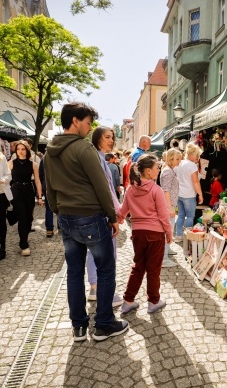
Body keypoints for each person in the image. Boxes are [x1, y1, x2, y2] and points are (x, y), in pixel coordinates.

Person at [44, 102, 128, 342]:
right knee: (105, 269)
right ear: (75, 121)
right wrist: (112, 217)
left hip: (67, 217)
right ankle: (103, 324)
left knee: (74, 272)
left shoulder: (51, 150)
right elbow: (101, 185)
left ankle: (79, 327)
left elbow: (50, 188)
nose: (90, 127)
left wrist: (57, 211)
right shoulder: (83, 149)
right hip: (90, 216)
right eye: (88, 122)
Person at [117, 153, 172, 314]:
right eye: (157, 167)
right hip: (155, 234)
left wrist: (116, 220)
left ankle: (128, 300)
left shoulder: (130, 189)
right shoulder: (156, 190)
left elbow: (122, 211)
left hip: (138, 233)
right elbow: (163, 215)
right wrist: (169, 233)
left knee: (138, 266)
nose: (159, 169)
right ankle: (153, 301)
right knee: (153, 269)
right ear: (148, 171)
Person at [87, 127, 123, 308]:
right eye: (107, 137)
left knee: (96, 252)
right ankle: (100, 290)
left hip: (100, 211)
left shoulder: (99, 158)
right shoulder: (98, 159)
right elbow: (106, 190)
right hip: (102, 213)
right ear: (96, 138)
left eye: (112, 137)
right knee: (104, 254)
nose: (111, 140)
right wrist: (115, 212)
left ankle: (95, 287)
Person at [8, 141, 43, 256]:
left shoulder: (33, 164)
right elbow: (7, 180)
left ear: (27, 150)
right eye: (18, 149)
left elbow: (37, 181)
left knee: (29, 218)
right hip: (16, 191)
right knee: (22, 217)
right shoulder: (11, 163)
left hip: (29, 190)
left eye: (23, 149)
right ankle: (24, 244)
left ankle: (25, 235)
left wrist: (40, 196)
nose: (20, 151)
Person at [174, 143, 203, 241]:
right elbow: (195, 182)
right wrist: (200, 194)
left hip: (180, 194)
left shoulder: (180, 163)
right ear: (190, 154)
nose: (198, 157)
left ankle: (178, 235)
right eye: (197, 155)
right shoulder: (192, 166)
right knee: (190, 216)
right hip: (189, 195)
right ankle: (188, 237)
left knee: (181, 215)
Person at [160, 148, 182, 267]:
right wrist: (170, 208)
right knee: (167, 230)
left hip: (170, 205)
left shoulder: (169, 170)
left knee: (169, 230)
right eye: (177, 159)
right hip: (167, 206)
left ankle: (167, 250)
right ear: (171, 159)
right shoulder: (168, 171)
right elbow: (166, 190)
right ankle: (163, 258)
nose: (179, 161)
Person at [38, 155, 56, 237]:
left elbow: (40, 173)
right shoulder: (60, 155)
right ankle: (61, 226)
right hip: (59, 185)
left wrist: (42, 185)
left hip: (47, 185)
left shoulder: (44, 157)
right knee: (61, 205)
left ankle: (49, 229)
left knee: (49, 207)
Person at [0, 150, 12, 260]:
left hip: (1, 195)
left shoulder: (2, 157)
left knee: (1, 223)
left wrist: (2, 179)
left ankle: (2, 247)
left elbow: (9, 175)